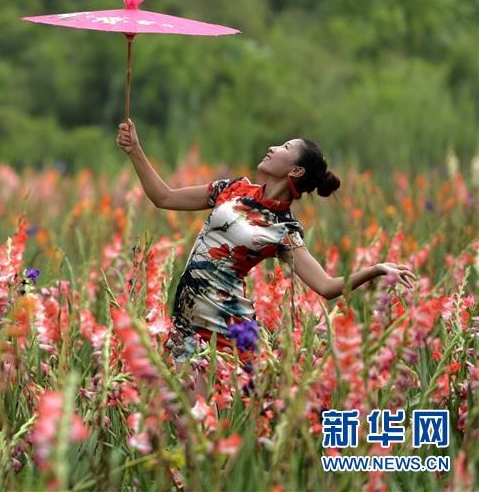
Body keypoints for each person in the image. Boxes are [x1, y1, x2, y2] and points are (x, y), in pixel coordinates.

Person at [116, 118, 416, 397]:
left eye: (285, 147)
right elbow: (164, 197)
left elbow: (326, 287)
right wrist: (135, 151)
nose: (273, 147)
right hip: (186, 323)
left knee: (239, 414)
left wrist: (376, 269)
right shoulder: (232, 189)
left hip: (229, 330)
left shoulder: (285, 230)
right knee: (188, 424)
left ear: (295, 171)